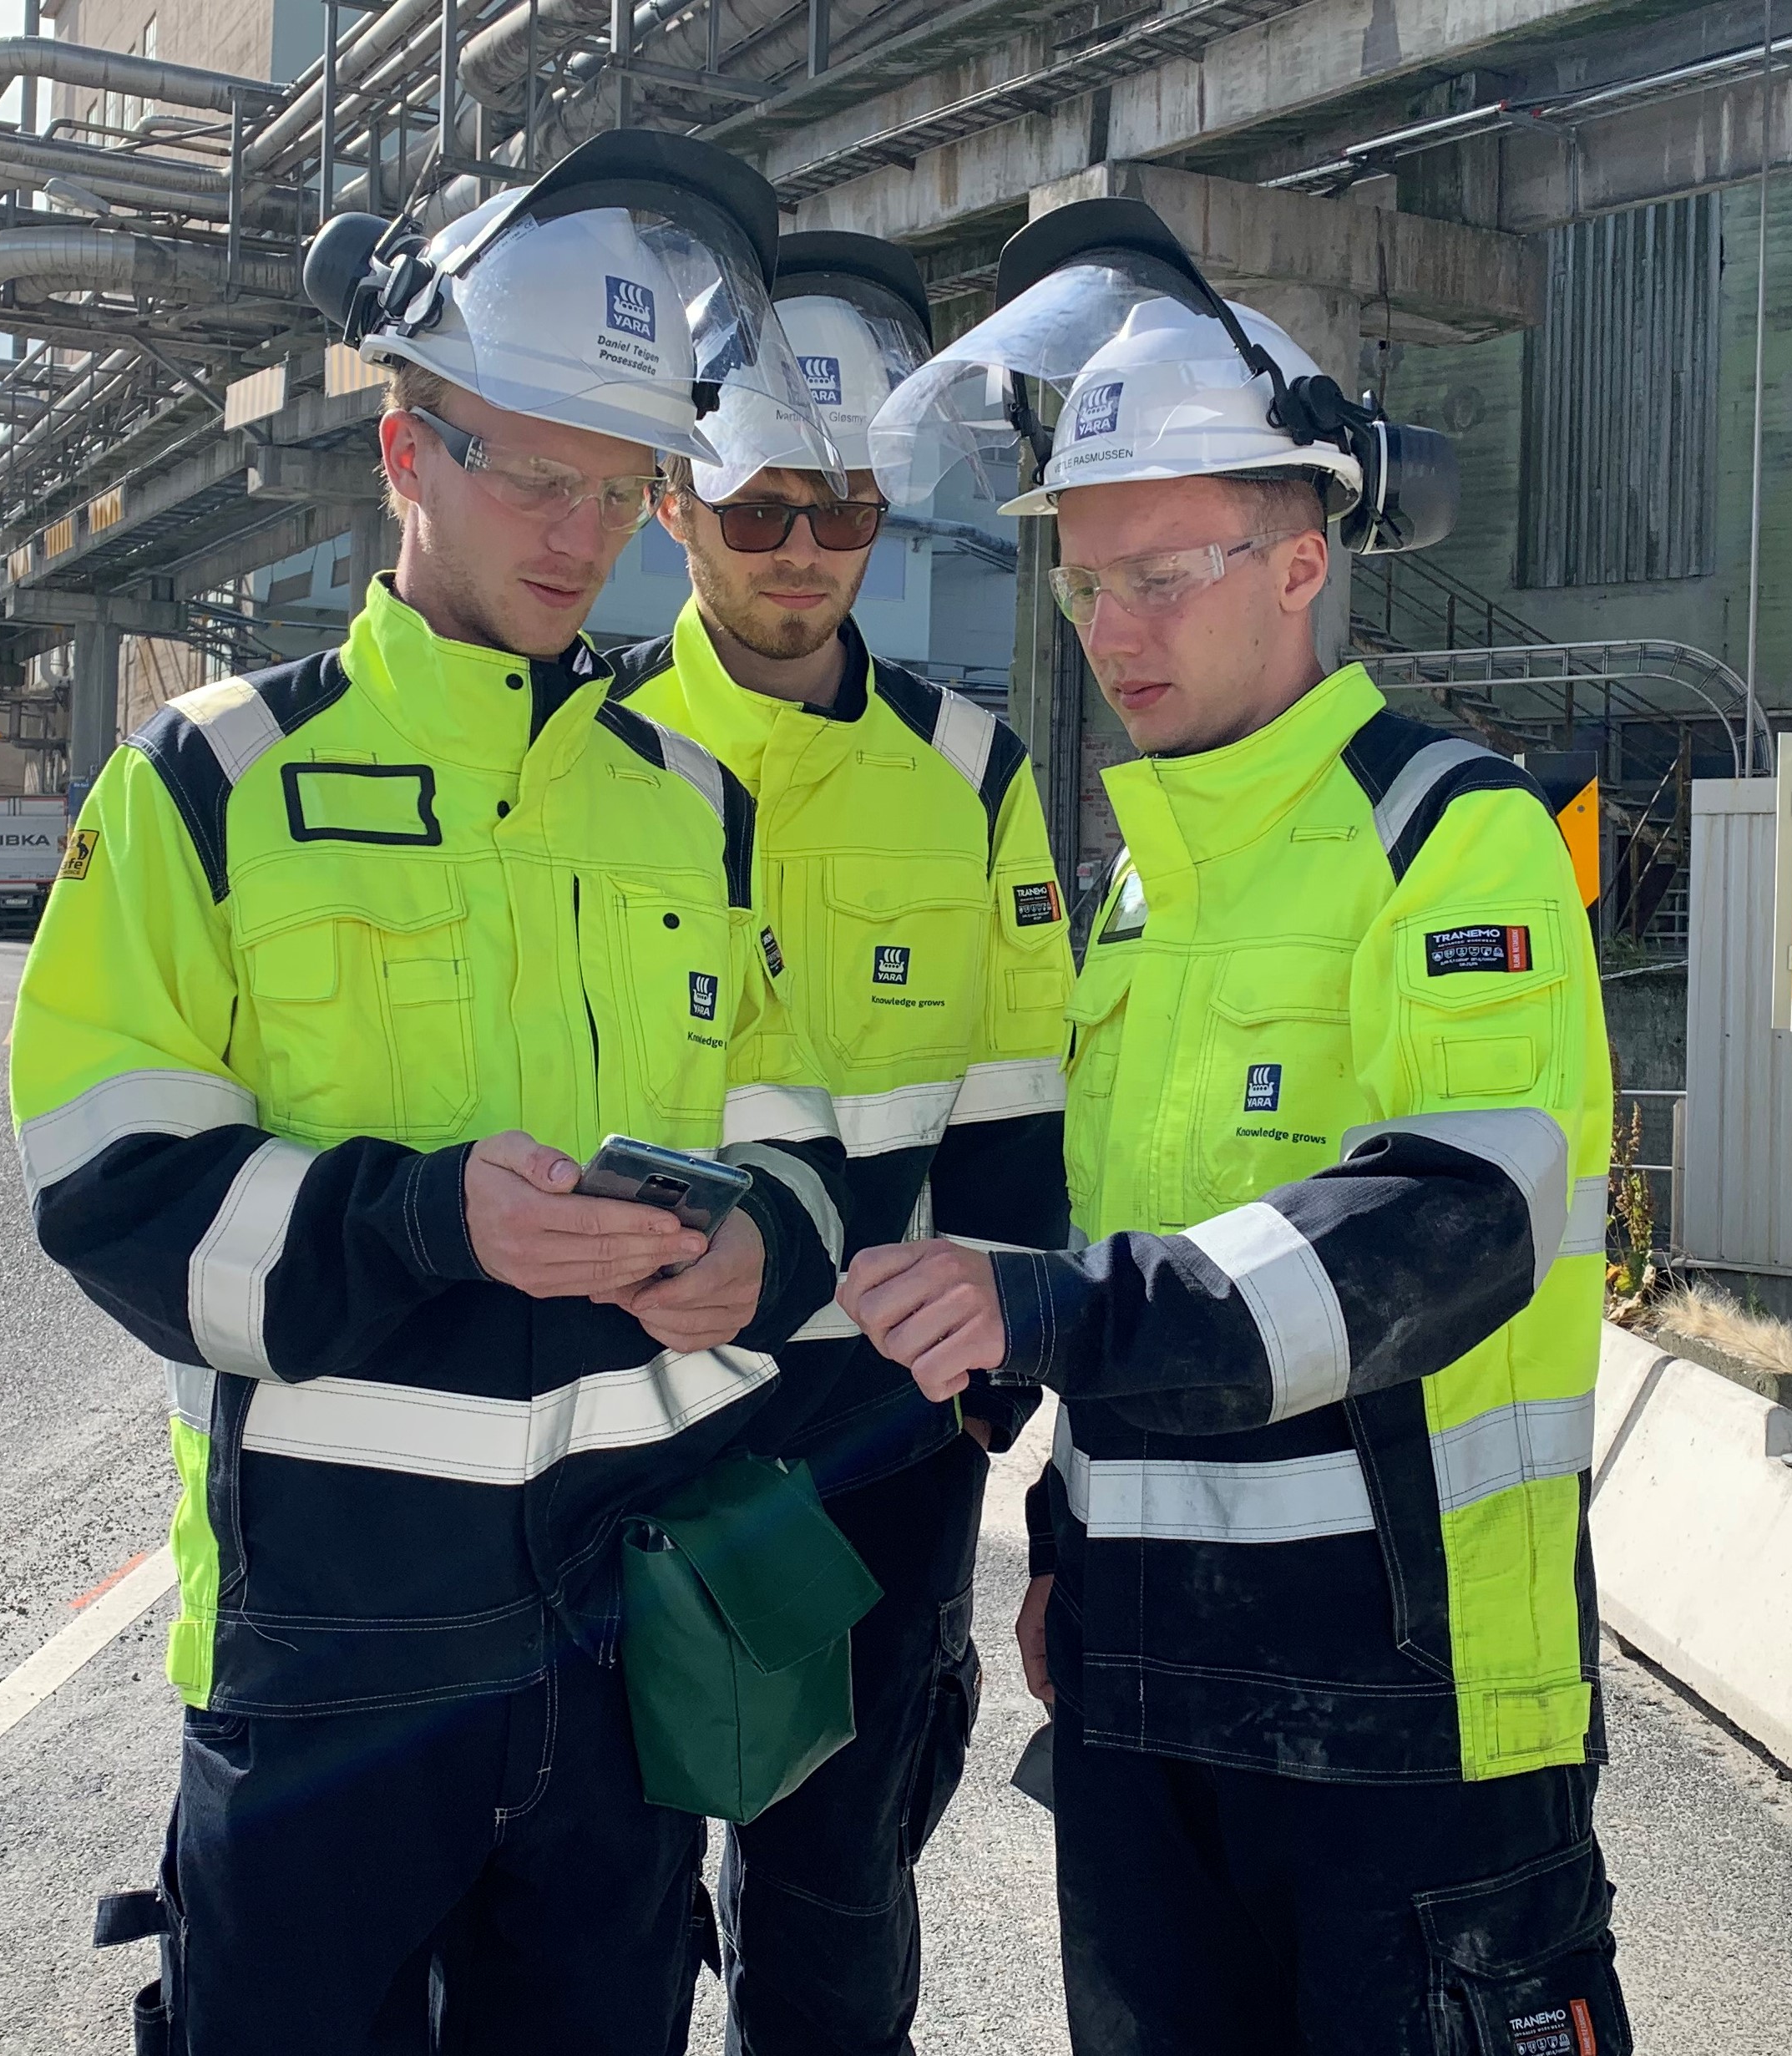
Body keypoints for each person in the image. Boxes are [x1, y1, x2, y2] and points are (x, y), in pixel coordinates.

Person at [10, 134, 859, 2055]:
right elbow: (108, 1180)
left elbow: (795, 1141)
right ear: (405, 453)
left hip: (627, 1641)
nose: (581, 534)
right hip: (334, 1659)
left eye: (622, 489)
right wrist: (416, 1215)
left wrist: (761, 1257)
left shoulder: (700, 810)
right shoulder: (207, 783)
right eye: (530, 472)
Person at [840, 200, 1631, 2056]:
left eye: (1163, 574)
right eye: (1083, 583)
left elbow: (1437, 1227)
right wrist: (1071, 1546)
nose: (1114, 629)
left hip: (1405, 1725)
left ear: (1299, 561)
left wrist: (1051, 1312)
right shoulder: (1144, 894)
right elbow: (1145, 1231)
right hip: (1145, 1705)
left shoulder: (1455, 835)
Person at [605, 229, 1073, 2056]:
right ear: (674, 504)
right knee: (616, 1868)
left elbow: (1021, 1091)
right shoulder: (593, 757)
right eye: (764, 509)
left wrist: (990, 1392)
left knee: (838, 1882)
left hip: (883, 1430)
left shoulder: (973, 777)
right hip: (639, 1418)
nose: (806, 553)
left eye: (848, 512)